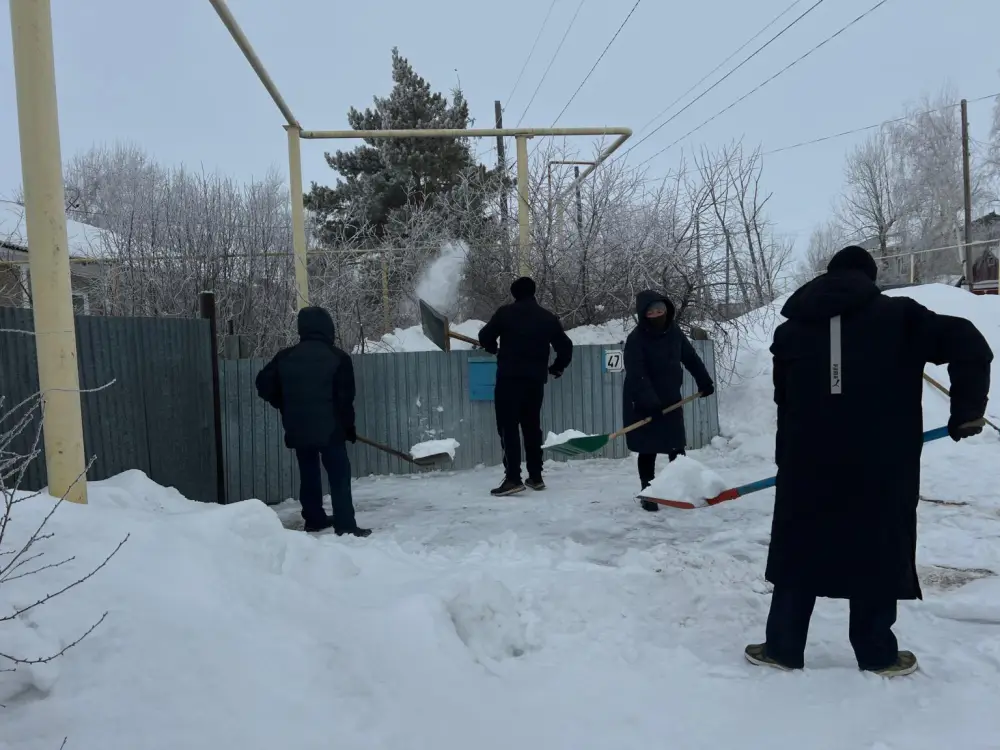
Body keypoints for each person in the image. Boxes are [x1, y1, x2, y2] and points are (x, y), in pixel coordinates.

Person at [745, 245, 992, 677]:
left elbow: (783, 400)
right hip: (882, 462)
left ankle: (783, 648)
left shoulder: (791, 332)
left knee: (800, 548)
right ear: (869, 278)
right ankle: (877, 654)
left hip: (808, 463)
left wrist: (790, 456)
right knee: (876, 546)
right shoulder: (901, 317)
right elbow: (970, 343)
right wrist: (967, 410)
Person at [255, 306, 371, 537]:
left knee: (308, 472)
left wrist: (285, 404)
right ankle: (346, 525)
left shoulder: (285, 357)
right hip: (331, 429)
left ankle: (314, 519)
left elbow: (263, 385)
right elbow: (345, 400)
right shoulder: (338, 358)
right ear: (328, 328)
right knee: (338, 475)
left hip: (299, 428)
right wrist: (348, 428)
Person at [478, 276, 573, 496]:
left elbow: (485, 337)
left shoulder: (505, 313)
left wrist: (493, 348)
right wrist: (557, 367)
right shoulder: (547, 318)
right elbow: (565, 347)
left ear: (514, 293)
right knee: (531, 427)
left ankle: (513, 478)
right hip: (534, 381)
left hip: (509, 380)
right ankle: (536, 476)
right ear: (534, 292)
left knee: (508, 427)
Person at [622, 290, 715, 512]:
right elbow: (637, 374)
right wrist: (650, 402)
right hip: (643, 400)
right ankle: (648, 492)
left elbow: (690, 357)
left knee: (676, 446)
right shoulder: (636, 339)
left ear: (667, 309)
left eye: (660, 309)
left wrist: (704, 381)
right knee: (648, 448)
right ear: (644, 314)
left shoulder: (674, 333)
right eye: (651, 311)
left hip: (671, 398)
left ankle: (680, 489)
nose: (657, 314)